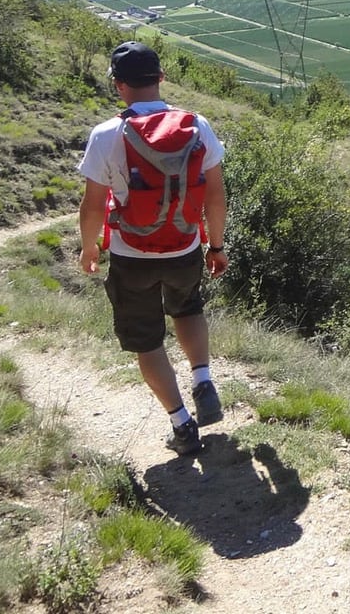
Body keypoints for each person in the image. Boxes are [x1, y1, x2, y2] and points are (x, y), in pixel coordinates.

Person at [77, 41, 229, 455]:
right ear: (161, 78)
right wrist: (215, 246)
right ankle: (202, 379)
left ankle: (182, 425)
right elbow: (216, 197)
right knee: (189, 307)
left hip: (132, 256)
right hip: (185, 247)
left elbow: (93, 204)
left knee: (147, 341)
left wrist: (89, 249)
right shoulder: (198, 125)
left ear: (117, 84)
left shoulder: (107, 134)